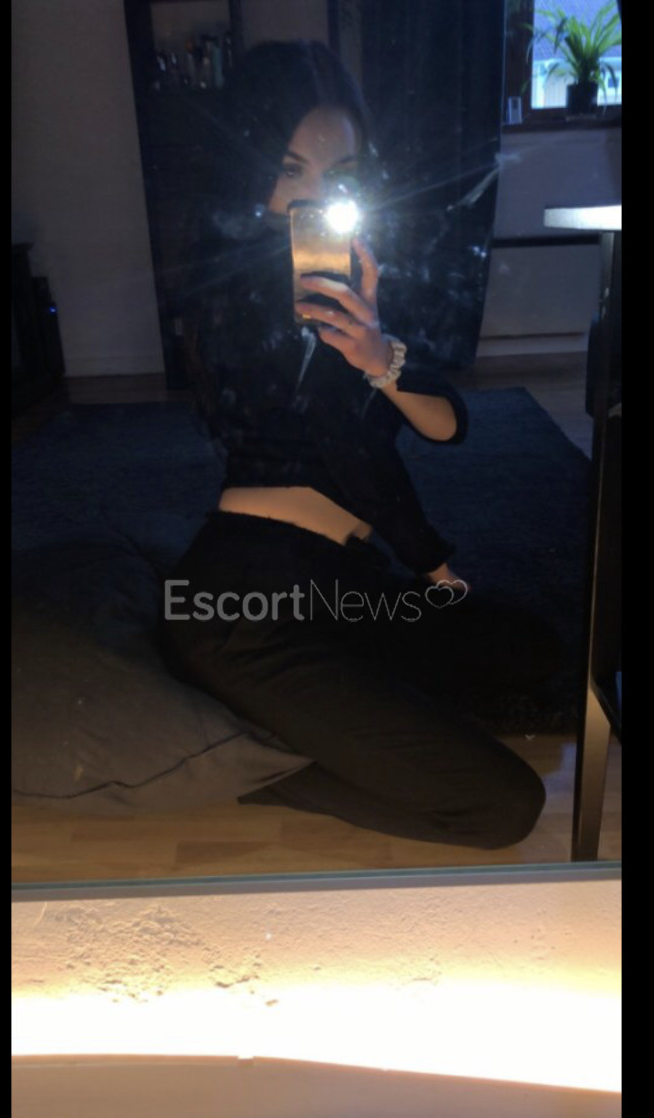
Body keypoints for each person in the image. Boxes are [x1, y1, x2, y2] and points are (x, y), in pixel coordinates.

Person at [158, 39, 568, 850]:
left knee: (532, 649)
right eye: (290, 172)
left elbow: (447, 424)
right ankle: (255, 767)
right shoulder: (231, 294)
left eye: (338, 175)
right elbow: (351, 455)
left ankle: (336, 707)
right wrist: (432, 566)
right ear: (252, 178)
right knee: (502, 806)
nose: (315, 195)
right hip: (246, 603)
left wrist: (380, 356)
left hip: (345, 585)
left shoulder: (359, 299)